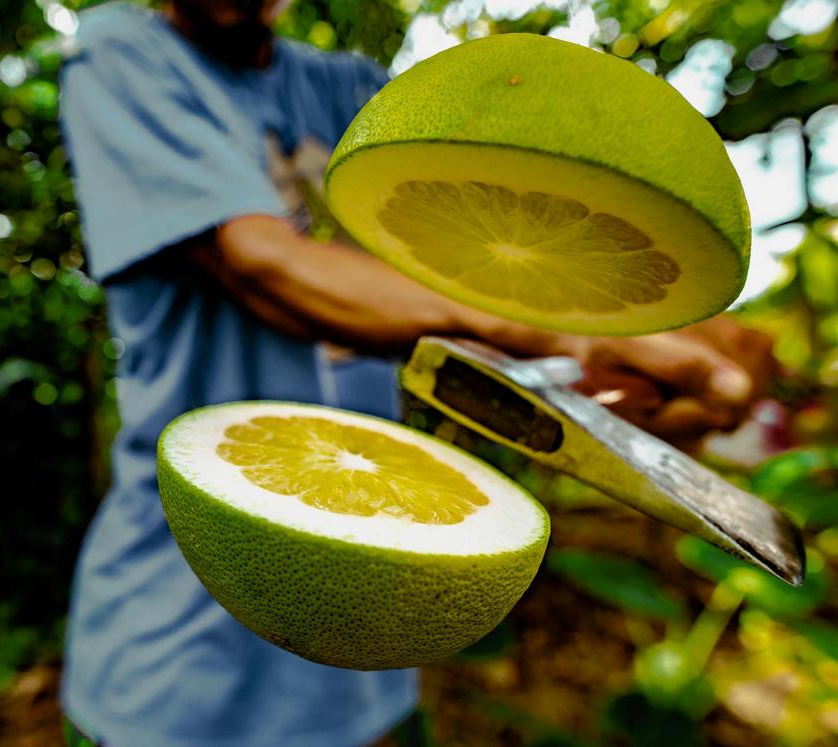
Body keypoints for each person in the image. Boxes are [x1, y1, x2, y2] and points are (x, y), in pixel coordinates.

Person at [57, 1, 775, 745]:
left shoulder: (346, 87)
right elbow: (265, 263)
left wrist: (696, 330)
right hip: (182, 636)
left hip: (367, 630)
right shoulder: (123, 54)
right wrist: (571, 338)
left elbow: (502, 232)